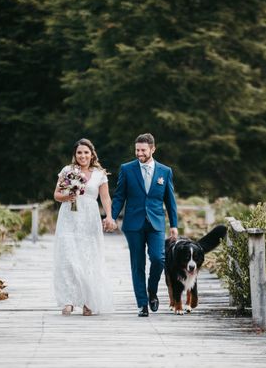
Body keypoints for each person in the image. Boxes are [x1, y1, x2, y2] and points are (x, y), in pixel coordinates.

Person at [106, 133, 178, 317]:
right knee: (137, 264)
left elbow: (170, 201)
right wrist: (112, 217)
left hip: (156, 223)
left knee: (158, 258)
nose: (139, 153)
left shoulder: (165, 171)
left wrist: (174, 225)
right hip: (133, 223)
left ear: (153, 149)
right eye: (137, 150)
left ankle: (152, 291)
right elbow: (119, 196)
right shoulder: (127, 169)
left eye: (143, 150)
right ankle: (142, 304)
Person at [53, 138, 115, 315]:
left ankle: (88, 301)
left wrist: (109, 216)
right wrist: (68, 197)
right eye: (79, 152)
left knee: (89, 258)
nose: (82, 156)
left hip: (89, 218)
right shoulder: (68, 170)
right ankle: (69, 300)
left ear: (92, 154)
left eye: (86, 152)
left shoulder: (99, 173)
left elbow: (105, 198)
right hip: (68, 218)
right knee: (68, 258)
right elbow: (57, 194)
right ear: (75, 154)